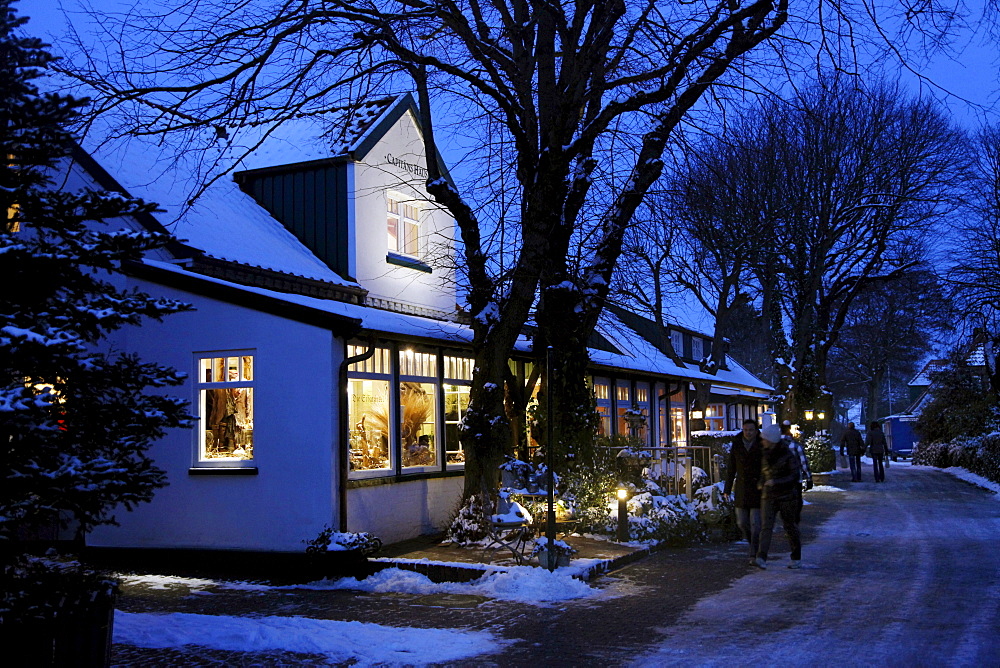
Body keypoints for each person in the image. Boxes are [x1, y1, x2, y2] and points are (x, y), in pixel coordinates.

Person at [756, 424, 803, 569]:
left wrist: (775, 482)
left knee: (789, 526)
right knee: (766, 526)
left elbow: (794, 475)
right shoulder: (764, 453)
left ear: (770, 440)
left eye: (764, 439)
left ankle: (796, 556)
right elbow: (762, 472)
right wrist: (761, 483)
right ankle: (761, 556)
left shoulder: (787, 455)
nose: (762, 441)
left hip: (786, 496)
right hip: (769, 495)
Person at [723, 419, 763, 566]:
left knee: (756, 524)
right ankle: (753, 544)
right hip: (742, 488)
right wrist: (727, 489)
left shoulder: (762, 444)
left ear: (756, 430)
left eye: (751, 430)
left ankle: (754, 553)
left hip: (758, 489)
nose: (748, 433)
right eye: (746, 430)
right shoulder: (737, 444)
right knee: (742, 522)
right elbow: (731, 468)